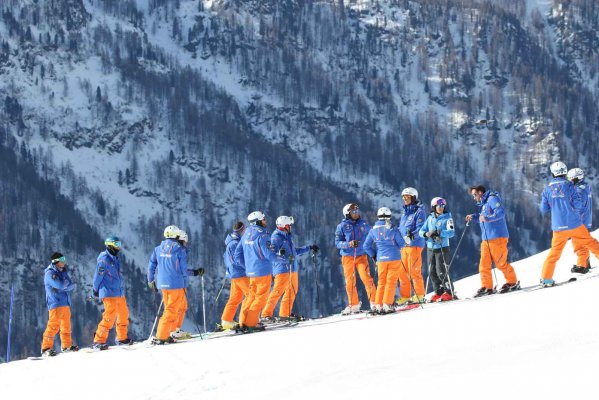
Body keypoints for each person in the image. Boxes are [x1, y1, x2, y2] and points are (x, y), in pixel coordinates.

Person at [540, 162, 599, 286]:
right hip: (574, 224)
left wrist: (556, 208)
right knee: (591, 243)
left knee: (554, 253)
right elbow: (578, 204)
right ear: (565, 172)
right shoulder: (570, 186)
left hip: (558, 227)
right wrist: (574, 214)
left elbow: (543, 209)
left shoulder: (547, 190)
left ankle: (546, 279)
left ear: (552, 173)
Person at [148, 225, 204, 344]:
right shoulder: (179, 249)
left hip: (163, 284)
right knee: (171, 310)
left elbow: (151, 265)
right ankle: (162, 336)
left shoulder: (158, 249)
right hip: (176, 284)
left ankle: (172, 331)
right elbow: (183, 270)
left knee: (179, 307)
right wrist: (194, 272)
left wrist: (151, 280)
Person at [261, 216, 318, 322]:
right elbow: (273, 254)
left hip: (292, 268)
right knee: (278, 291)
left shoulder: (287, 236)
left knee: (292, 290)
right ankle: (266, 314)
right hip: (282, 269)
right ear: (283, 226)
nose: (290, 227)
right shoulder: (275, 237)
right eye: (288, 225)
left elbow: (294, 252)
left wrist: (309, 248)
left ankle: (285, 313)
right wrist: (284, 257)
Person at [466, 185, 519, 296]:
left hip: (498, 237)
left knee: (500, 263)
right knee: (484, 265)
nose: (474, 197)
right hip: (486, 239)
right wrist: (474, 217)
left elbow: (500, 213)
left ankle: (512, 282)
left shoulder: (492, 198)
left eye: (475, 194)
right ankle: (487, 286)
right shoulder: (483, 204)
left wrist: (488, 218)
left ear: (481, 192)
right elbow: (483, 218)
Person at [234, 211, 282, 332]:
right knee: (260, 298)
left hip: (251, 273)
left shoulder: (246, 234)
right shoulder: (263, 235)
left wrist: (247, 266)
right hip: (262, 271)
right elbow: (269, 255)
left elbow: (237, 254)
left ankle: (242, 322)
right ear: (258, 221)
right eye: (264, 219)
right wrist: (283, 259)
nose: (265, 221)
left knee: (250, 297)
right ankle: (251, 323)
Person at [92, 235, 133, 350]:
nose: (118, 248)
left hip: (118, 293)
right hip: (109, 293)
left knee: (123, 315)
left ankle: (121, 338)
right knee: (109, 317)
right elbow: (98, 277)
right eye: (116, 245)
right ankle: (98, 341)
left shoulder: (114, 259)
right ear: (109, 245)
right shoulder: (103, 259)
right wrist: (95, 290)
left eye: (119, 245)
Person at [334, 203, 376, 314]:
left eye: (357, 211)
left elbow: (372, 233)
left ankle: (375, 302)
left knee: (367, 279)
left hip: (361, 256)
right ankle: (354, 305)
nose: (356, 214)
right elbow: (337, 243)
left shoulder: (363, 224)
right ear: (347, 213)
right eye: (354, 212)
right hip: (347, 257)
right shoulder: (341, 226)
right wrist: (349, 244)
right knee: (350, 281)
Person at [363, 207, 405, 313]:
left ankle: (378, 305)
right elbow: (402, 244)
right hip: (394, 258)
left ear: (378, 216)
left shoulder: (373, 231)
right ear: (389, 216)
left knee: (381, 282)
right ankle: (387, 304)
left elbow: (366, 246)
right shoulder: (393, 229)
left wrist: (374, 255)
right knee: (391, 282)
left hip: (381, 259)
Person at [40, 252, 78, 357]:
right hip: (55, 303)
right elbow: (60, 285)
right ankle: (46, 348)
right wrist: (64, 285)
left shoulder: (63, 272)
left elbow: (71, 285)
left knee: (66, 326)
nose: (64, 261)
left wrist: (64, 285)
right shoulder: (50, 273)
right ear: (56, 261)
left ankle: (66, 346)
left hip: (65, 302)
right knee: (53, 326)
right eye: (62, 259)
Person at [419, 197, 456, 302]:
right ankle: (439, 292)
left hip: (442, 247)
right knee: (431, 272)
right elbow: (421, 231)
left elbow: (451, 233)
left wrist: (440, 232)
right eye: (439, 206)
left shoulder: (447, 218)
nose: (441, 208)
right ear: (434, 207)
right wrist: (426, 234)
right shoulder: (430, 218)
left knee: (441, 271)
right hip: (431, 248)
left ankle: (449, 292)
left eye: (442, 206)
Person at [219, 221, 249, 331]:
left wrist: (229, 270)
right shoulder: (235, 243)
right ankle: (246, 320)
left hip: (235, 274)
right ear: (242, 230)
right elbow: (238, 259)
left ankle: (227, 320)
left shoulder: (232, 242)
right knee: (251, 295)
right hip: (240, 273)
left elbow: (226, 258)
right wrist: (249, 268)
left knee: (236, 297)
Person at [398, 187, 426, 304]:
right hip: (404, 246)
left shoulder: (419, 212)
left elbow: (421, 229)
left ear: (413, 197)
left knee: (414, 270)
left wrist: (412, 236)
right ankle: (405, 296)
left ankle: (419, 294)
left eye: (407, 197)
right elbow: (402, 228)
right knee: (402, 272)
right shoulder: (405, 212)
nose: (405, 199)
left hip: (414, 245)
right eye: (403, 197)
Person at [567, 167, 593, 273]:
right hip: (586, 219)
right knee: (583, 242)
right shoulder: (586, 187)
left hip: (579, 220)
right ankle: (586, 262)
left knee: (578, 243)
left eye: (571, 179)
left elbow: (577, 207)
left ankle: (582, 265)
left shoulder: (578, 191)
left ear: (576, 179)